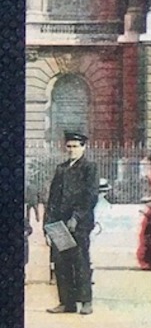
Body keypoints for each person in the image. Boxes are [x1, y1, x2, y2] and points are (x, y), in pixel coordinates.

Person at [44, 130, 98, 314]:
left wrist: (76, 217)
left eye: (75, 146)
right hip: (59, 223)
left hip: (79, 224)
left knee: (80, 261)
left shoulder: (89, 168)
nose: (71, 150)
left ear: (84, 147)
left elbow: (90, 197)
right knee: (61, 262)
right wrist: (48, 225)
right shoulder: (61, 169)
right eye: (69, 146)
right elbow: (53, 198)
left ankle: (85, 302)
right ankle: (67, 303)